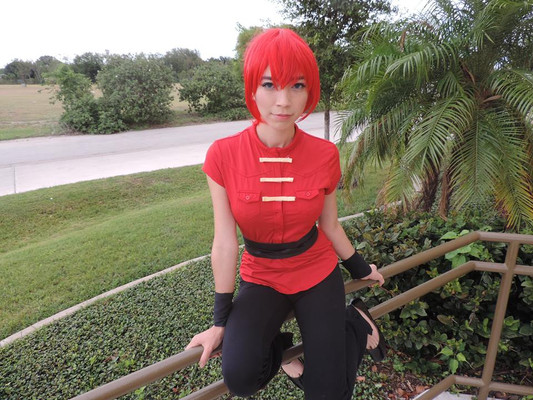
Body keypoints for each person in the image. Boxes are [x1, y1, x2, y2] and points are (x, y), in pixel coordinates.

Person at [186, 28, 386, 399]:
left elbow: (329, 225)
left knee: (329, 394)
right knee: (241, 377)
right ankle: (283, 352)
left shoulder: (325, 155)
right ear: (252, 88)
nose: (283, 101)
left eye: (297, 86)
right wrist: (219, 321)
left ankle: (355, 323)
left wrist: (360, 269)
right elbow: (225, 242)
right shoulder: (222, 155)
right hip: (262, 276)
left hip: (316, 271)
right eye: (269, 85)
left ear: (309, 91)